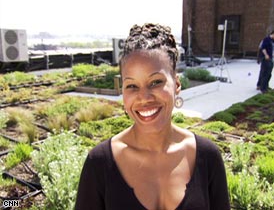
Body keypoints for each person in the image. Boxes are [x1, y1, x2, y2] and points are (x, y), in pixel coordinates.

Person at [75, 23, 230, 210]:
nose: (144, 97)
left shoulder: (207, 157)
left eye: (156, 82)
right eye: (132, 86)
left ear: (177, 84)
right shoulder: (99, 163)